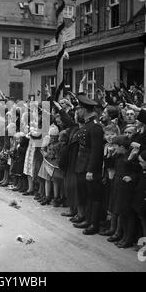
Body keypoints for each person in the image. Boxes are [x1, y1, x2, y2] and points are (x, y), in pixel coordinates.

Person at [73, 95, 104, 235]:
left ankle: (94, 224)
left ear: (85, 109)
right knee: (86, 195)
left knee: (94, 196)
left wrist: (90, 170)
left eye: (79, 108)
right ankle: (87, 218)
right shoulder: (87, 124)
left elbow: (96, 151)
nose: (77, 111)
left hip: (90, 168)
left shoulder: (95, 127)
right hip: (82, 165)